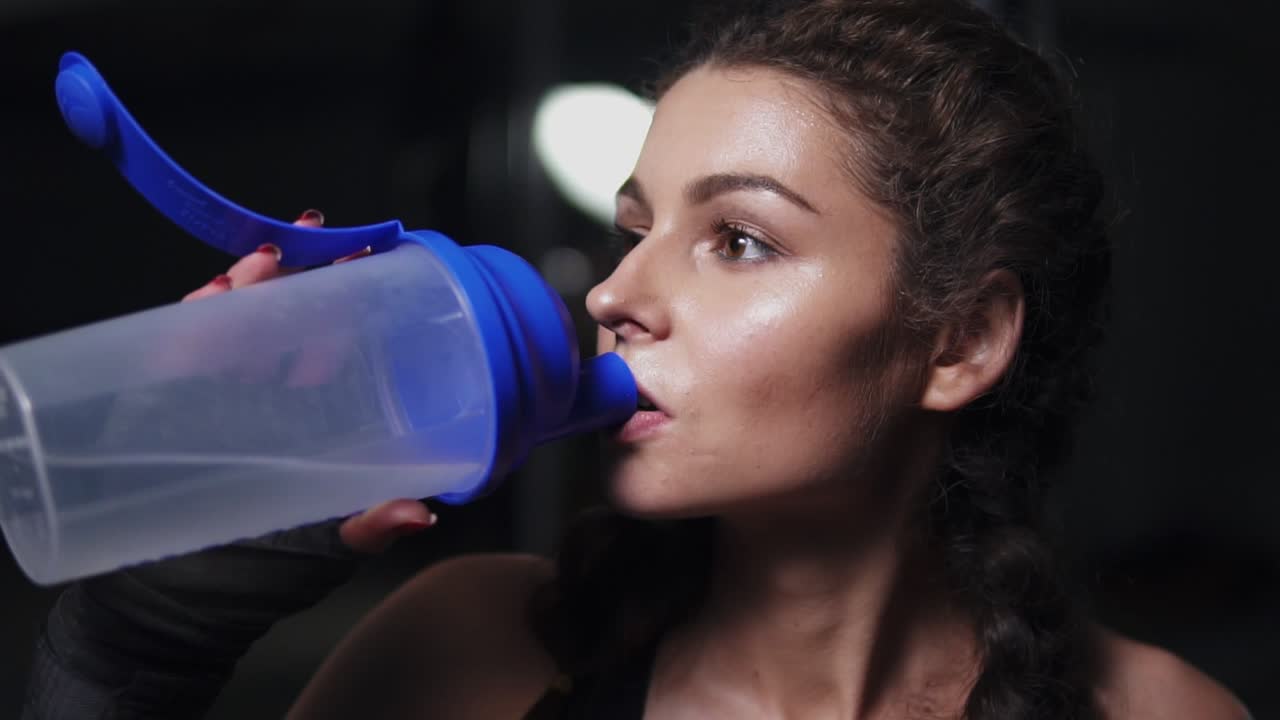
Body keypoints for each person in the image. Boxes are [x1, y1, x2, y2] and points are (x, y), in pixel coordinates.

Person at [22, 0, 1252, 718]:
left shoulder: (1157, 716)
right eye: (631, 229)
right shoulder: (467, 652)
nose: (614, 296)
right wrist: (132, 652)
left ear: (960, 340)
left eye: (736, 239)